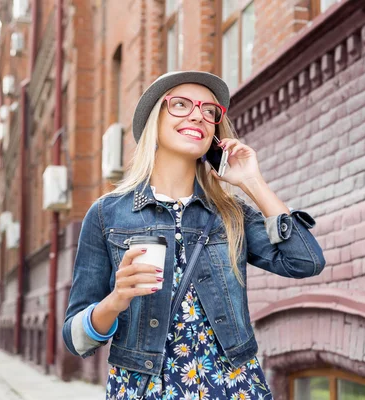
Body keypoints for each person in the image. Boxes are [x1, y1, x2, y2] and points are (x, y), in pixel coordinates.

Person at [62, 71, 326, 399]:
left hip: (233, 388)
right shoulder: (107, 214)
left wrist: (252, 183)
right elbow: (76, 339)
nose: (198, 115)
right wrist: (116, 300)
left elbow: (306, 261)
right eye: (181, 105)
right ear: (153, 121)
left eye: (208, 111)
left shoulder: (230, 213)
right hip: (146, 389)